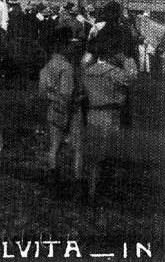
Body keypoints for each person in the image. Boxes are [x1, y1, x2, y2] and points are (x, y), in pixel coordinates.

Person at [82, 34, 138, 198]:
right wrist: (127, 59)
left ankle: (92, 189)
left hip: (92, 113)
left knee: (94, 154)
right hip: (110, 114)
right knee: (108, 153)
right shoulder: (114, 72)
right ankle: (104, 190)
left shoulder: (88, 71)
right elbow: (132, 78)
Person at [38, 26, 85, 185]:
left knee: (54, 146)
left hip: (53, 106)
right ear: (63, 46)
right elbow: (67, 93)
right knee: (78, 148)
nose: (72, 48)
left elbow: (42, 91)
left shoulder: (47, 66)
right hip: (70, 109)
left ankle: (53, 177)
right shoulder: (67, 68)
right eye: (69, 45)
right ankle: (78, 181)